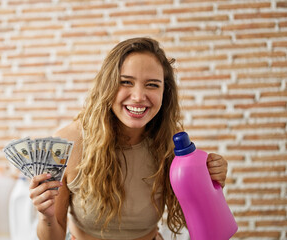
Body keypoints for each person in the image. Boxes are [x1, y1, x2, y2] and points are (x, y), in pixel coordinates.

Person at [28, 37, 228, 240]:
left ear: (164, 92)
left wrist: (210, 183)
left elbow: (201, 220)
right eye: (126, 82)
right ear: (107, 85)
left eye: (152, 85)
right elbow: (54, 235)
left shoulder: (170, 142)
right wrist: (47, 216)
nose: (139, 96)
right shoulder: (67, 143)